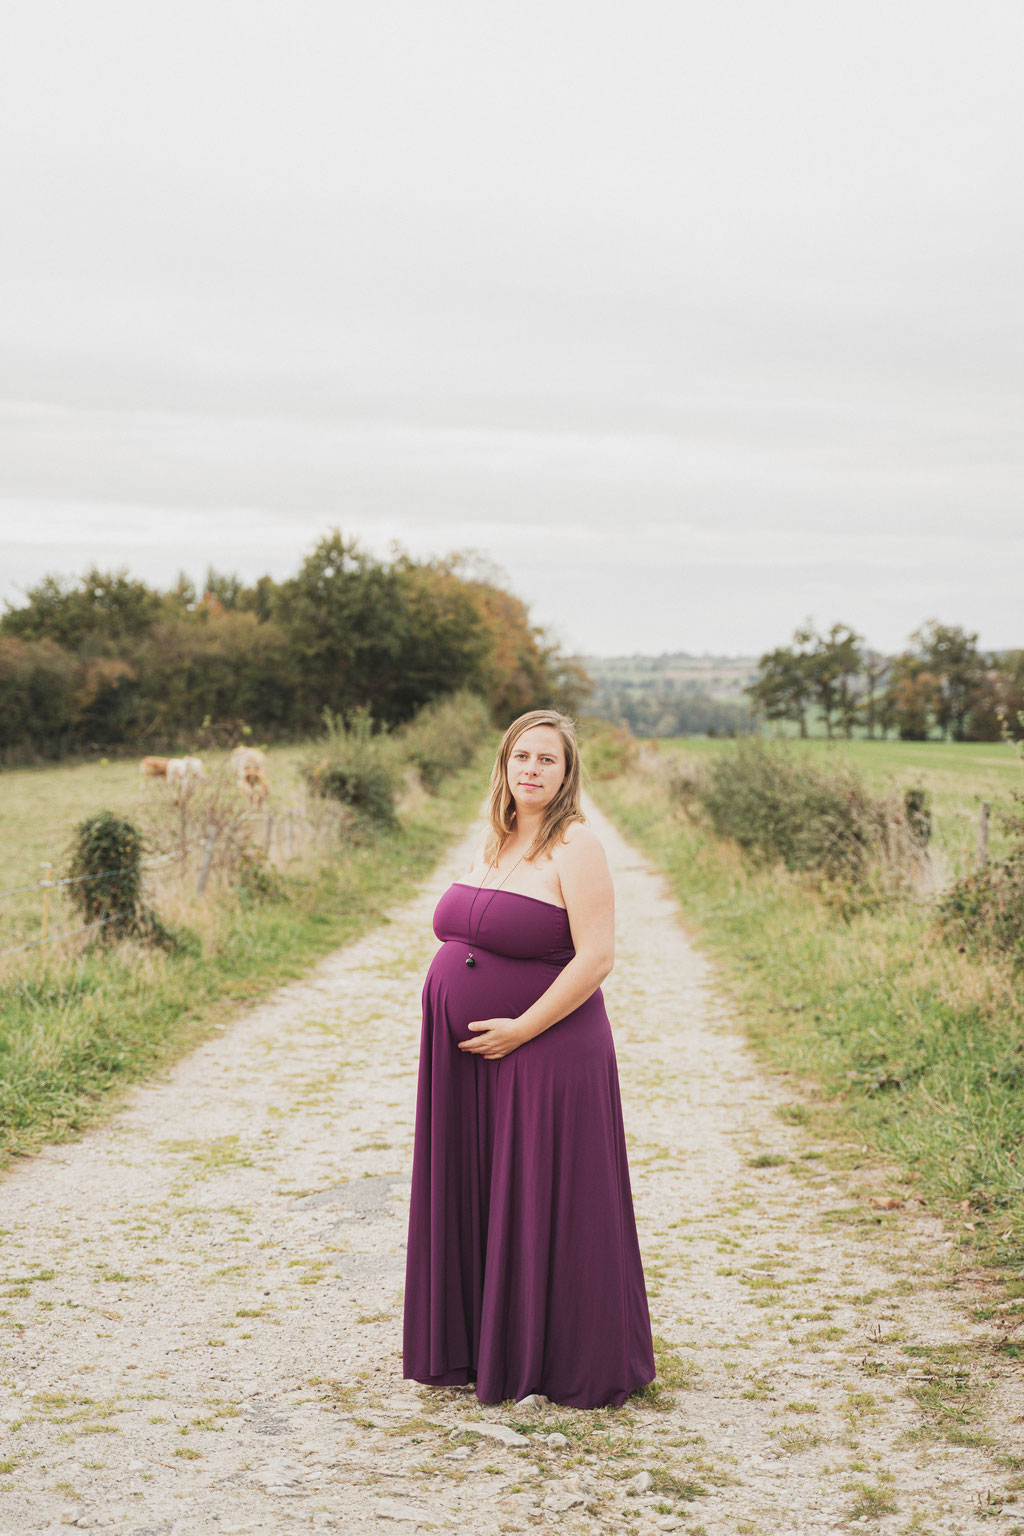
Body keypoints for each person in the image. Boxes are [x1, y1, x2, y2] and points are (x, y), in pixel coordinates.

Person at [402, 708, 656, 1409]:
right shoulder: (492, 839)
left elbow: (597, 957)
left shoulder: (577, 845)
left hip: (549, 1050)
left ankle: (560, 1360)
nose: (532, 770)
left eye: (547, 759)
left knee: (548, 1199)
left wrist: (521, 1028)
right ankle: (479, 1346)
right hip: (474, 1061)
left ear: (568, 772)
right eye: (522, 756)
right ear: (505, 765)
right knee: (483, 1191)